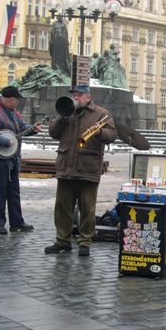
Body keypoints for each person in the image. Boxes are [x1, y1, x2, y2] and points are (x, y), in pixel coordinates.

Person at [44, 84, 116, 256]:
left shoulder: (101, 113)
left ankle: (85, 242)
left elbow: (112, 135)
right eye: (74, 95)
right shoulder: (67, 112)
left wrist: (99, 133)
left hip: (88, 168)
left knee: (87, 209)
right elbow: (53, 133)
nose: (75, 98)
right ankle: (62, 241)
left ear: (88, 97)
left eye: (79, 95)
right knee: (62, 208)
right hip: (66, 167)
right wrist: (62, 117)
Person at [0, 86, 41, 234]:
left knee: (14, 191)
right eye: (17, 100)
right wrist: (5, 142)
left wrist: (33, 129)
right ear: (11, 99)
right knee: (1, 190)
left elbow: (21, 128)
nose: (18, 103)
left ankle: (17, 222)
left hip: (12, 158)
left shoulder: (13, 113)